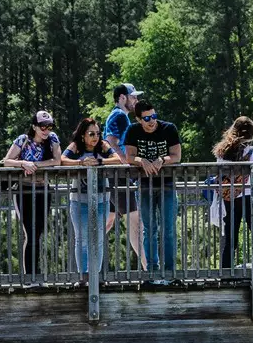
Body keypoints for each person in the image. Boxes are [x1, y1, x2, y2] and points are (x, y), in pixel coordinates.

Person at [121, 98, 183, 272]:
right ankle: (152, 270)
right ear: (139, 120)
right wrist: (142, 161)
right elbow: (129, 157)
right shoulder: (132, 130)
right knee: (149, 229)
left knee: (169, 228)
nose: (152, 121)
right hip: (145, 185)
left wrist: (161, 159)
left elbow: (177, 155)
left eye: (154, 116)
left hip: (167, 185)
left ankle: (170, 271)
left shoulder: (168, 128)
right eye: (147, 118)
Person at [0, 109, 61, 274]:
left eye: (50, 126)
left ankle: (36, 272)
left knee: (38, 231)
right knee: (30, 232)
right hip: (24, 191)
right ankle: (31, 275)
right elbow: (7, 161)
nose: (46, 130)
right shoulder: (23, 140)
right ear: (34, 126)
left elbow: (57, 160)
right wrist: (23, 164)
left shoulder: (53, 139)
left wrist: (34, 165)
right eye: (43, 126)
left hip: (43, 190)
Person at [60, 114, 117, 274]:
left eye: (98, 133)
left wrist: (100, 161)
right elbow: (62, 160)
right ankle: (84, 276)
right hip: (80, 200)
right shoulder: (76, 146)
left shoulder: (103, 146)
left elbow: (118, 159)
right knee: (82, 239)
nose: (96, 137)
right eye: (91, 134)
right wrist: (80, 162)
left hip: (101, 200)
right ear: (83, 135)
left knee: (98, 240)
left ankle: (95, 276)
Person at [211, 116, 253, 270]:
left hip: (229, 197)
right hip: (248, 196)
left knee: (230, 237)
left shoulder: (222, 151)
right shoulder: (252, 151)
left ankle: (226, 271)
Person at [102, 84, 143, 266]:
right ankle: (150, 271)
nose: (136, 100)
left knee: (106, 224)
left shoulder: (121, 116)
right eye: (132, 97)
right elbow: (109, 141)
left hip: (114, 175)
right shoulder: (119, 115)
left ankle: (86, 270)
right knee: (136, 226)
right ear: (122, 98)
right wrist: (126, 160)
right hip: (118, 176)